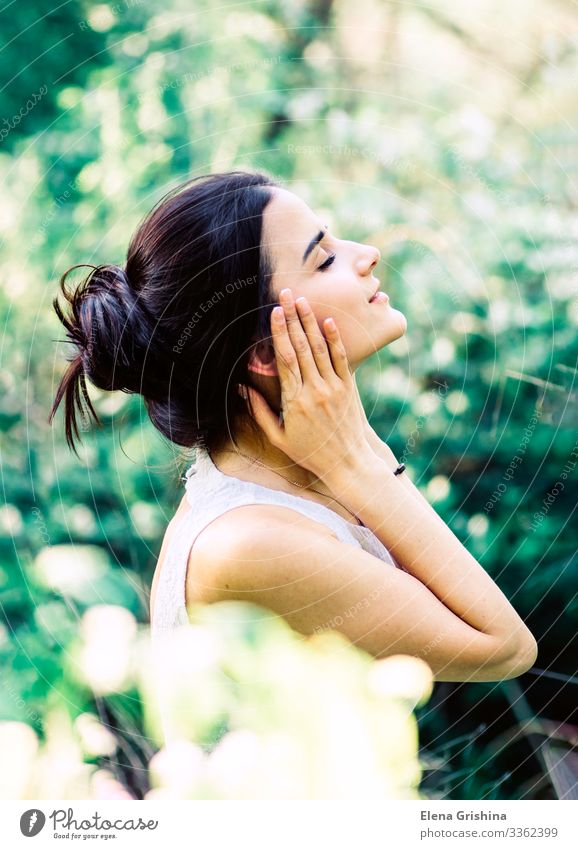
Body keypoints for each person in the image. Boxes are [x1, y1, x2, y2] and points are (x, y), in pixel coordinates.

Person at [49, 170, 537, 683]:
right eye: (324, 259)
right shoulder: (248, 543)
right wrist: (355, 463)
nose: (367, 253)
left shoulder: (301, 472)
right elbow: (503, 648)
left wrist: (353, 444)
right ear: (264, 350)